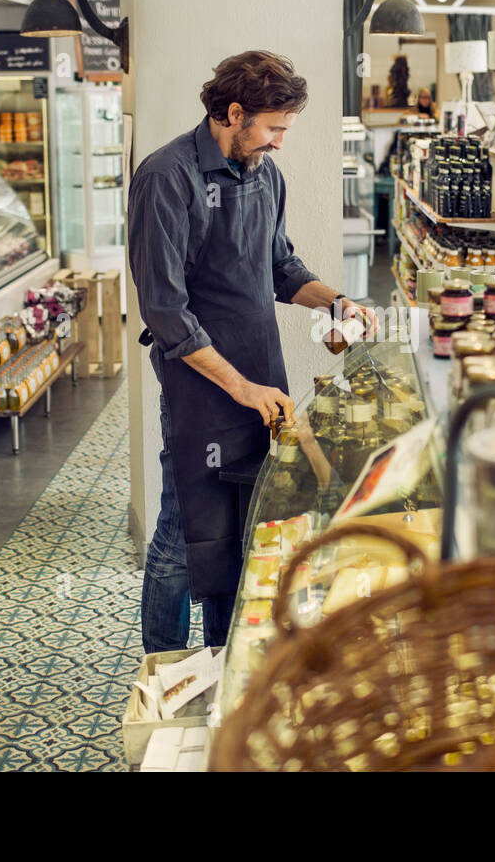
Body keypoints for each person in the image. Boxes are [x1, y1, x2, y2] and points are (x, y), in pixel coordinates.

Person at [127, 50, 377, 653]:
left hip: (262, 382)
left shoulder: (265, 174)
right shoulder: (166, 178)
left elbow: (280, 267)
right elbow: (164, 310)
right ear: (233, 114)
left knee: (239, 532)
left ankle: (218, 660)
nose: (280, 143)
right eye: (273, 128)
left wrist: (336, 302)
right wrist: (238, 387)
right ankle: (159, 670)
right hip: (202, 388)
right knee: (182, 536)